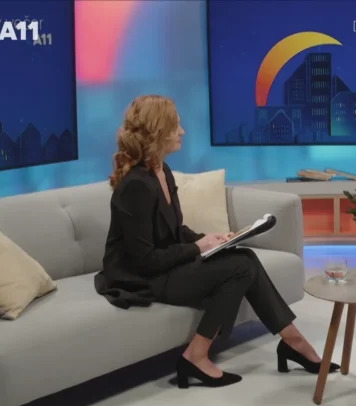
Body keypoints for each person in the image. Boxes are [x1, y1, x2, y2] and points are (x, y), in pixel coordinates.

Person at [94, 95, 339, 389]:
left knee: (244, 257)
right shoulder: (135, 185)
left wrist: (211, 240)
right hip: (140, 278)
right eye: (176, 126)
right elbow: (144, 261)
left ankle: (291, 340)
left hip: (162, 266)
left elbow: (172, 230)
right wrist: (198, 248)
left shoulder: (161, 170)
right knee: (240, 267)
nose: (183, 131)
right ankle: (198, 356)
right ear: (158, 131)